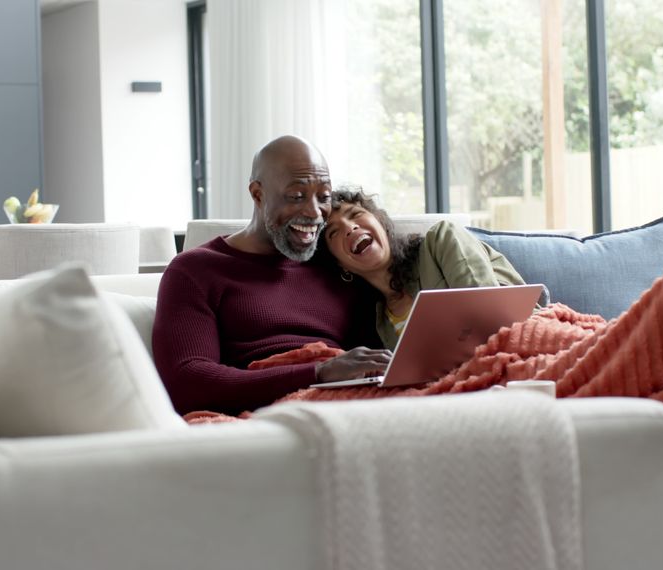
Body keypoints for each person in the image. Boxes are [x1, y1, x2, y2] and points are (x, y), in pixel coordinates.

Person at [153, 136, 390, 416]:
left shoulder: (337, 266)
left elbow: (371, 362)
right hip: (273, 416)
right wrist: (318, 372)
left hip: (351, 407)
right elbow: (187, 382)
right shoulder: (194, 271)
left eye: (324, 197)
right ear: (257, 194)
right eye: (296, 196)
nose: (314, 212)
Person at [321, 187, 534, 350]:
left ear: (380, 222)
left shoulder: (441, 239)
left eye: (355, 214)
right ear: (341, 265)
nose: (350, 228)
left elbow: (491, 317)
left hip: (523, 342)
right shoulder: (378, 324)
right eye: (334, 232)